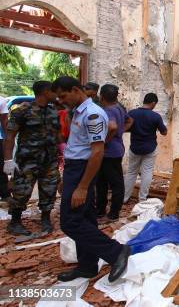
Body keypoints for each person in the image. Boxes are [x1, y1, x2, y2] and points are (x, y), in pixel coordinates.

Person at [51, 76, 129, 282]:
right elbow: (77, 146)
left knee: (70, 222)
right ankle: (87, 266)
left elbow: (97, 152)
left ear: (76, 90)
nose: (61, 100)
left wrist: (83, 186)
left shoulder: (93, 114)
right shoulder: (79, 111)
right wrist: (66, 178)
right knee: (84, 219)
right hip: (74, 170)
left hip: (82, 171)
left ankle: (116, 252)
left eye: (63, 95)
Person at [3, 81, 61, 235]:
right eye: (54, 91)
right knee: (22, 191)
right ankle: (15, 222)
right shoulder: (22, 110)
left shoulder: (53, 111)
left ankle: (45, 219)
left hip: (49, 160)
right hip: (27, 160)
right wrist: (8, 161)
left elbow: (57, 135)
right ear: (46, 92)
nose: (57, 94)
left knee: (49, 190)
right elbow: (10, 136)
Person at [96, 84, 132, 221]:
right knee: (104, 182)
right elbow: (130, 121)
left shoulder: (108, 110)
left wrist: (103, 142)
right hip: (115, 150)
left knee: (109, 183)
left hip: (109, 152)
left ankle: (112, 213)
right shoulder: (119, 108)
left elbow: (112, 127)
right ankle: (102, 210)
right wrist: (120, 132)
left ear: (102, 96)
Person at [123, 93, 167, 203]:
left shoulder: (132, 113)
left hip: (135, 148)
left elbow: (126, 128)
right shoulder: (155, 116)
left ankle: (124, 198)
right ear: (153, 103)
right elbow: (164, 132)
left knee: (131, 172)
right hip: (150, 148)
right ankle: (142, 199)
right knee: (147, 172)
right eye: (155, 104)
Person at [0, 95, 9, 199]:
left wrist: (8, 139)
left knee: (1, 168)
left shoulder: (1, 100)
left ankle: (5, 194)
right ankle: (5, 194)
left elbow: (5, 121)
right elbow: (4, 121)